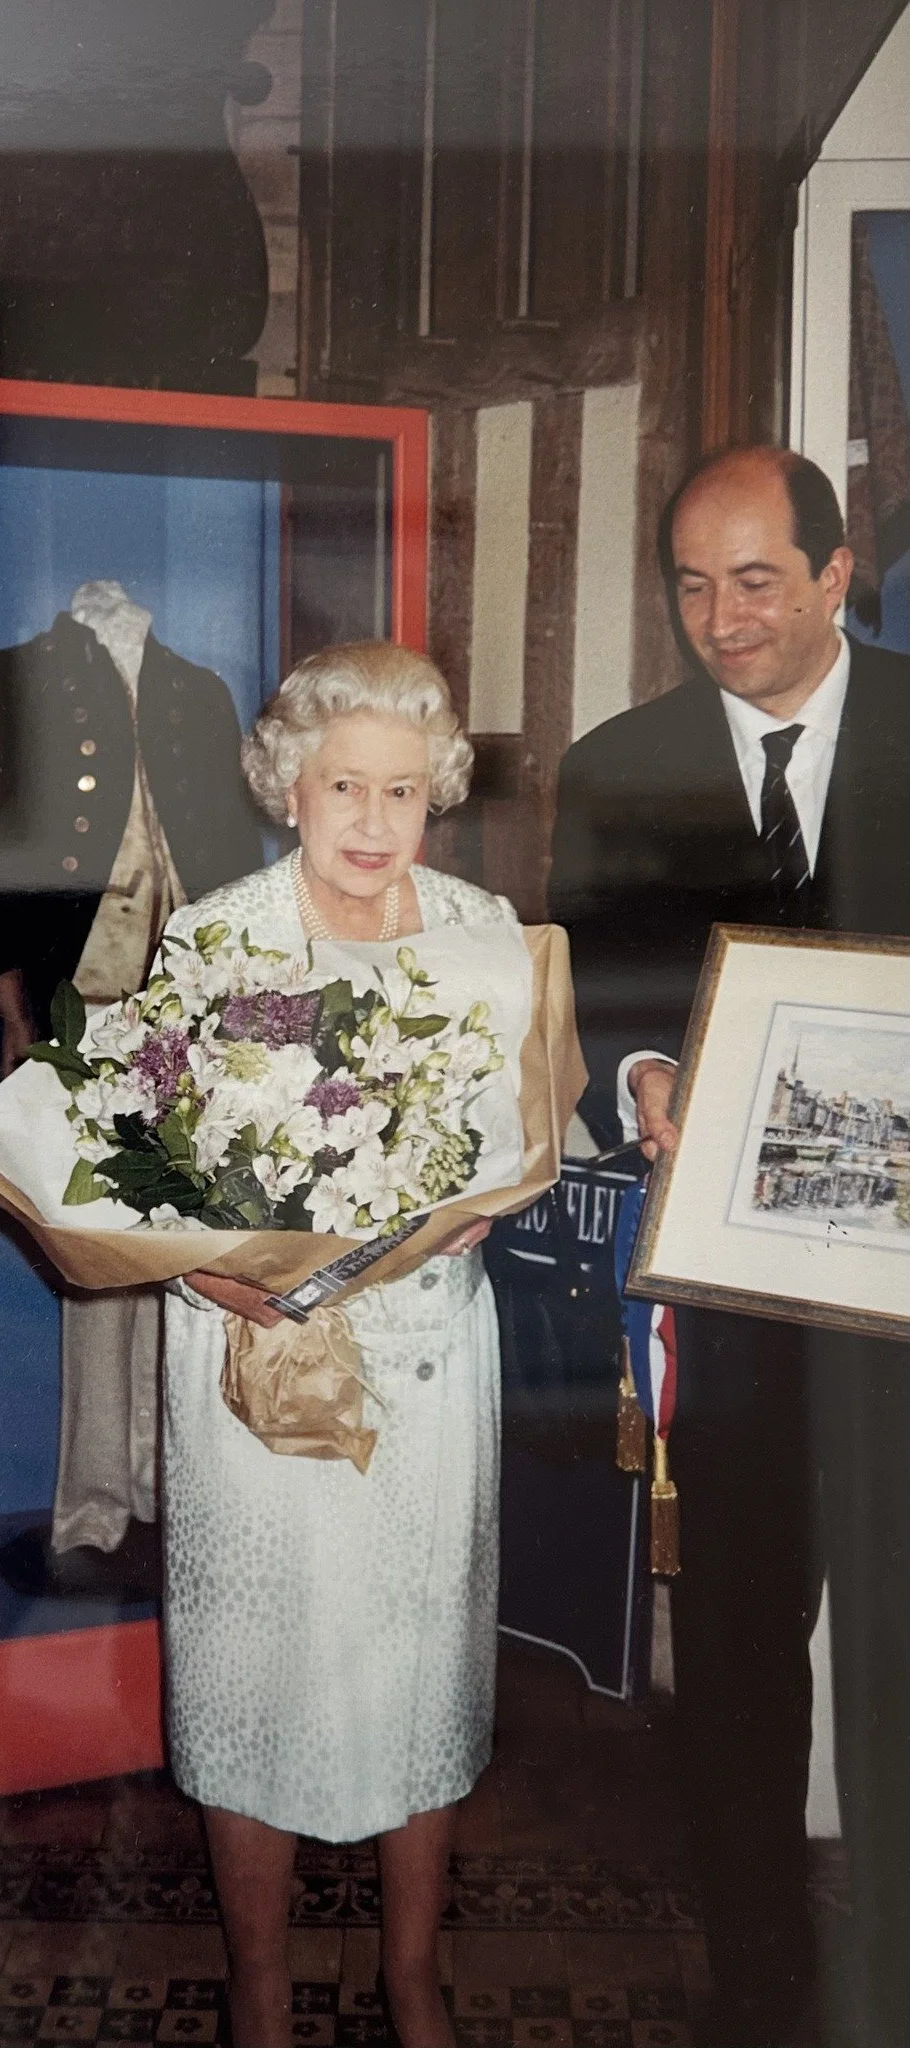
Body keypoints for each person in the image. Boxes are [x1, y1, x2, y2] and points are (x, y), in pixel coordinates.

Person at [549, 447, 910, 2048]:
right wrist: (641, 1076)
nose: (718, 619)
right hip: (740, 1300)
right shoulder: (615, 766)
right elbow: (593, 992)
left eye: (755, 580)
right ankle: (759, 1980)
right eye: (689, 585)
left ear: (838, 575)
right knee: (744, 1657)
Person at [154, 641, 520, 2048]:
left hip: (426, 1361)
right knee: (256, 1667)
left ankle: (410, 1973)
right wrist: (209, 1277)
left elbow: (519, 1137)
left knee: (414, 1659)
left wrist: (490, 1195)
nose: (374, 822)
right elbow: (144, 1183)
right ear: (286, 788)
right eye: (344, 786)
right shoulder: (216, 943)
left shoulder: (485, 930)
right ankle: (257, 1982)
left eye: (405, 792)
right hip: (255, 1371)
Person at [0, 577, 261, 1562]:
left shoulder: (197, 691)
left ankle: (176, 1486)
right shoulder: (8, 681)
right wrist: (13, 1009)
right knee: (95, 1260)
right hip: (77, 1004)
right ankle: (95, 1497)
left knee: (189, 1251)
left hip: (189, 1015)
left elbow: (236, 861)